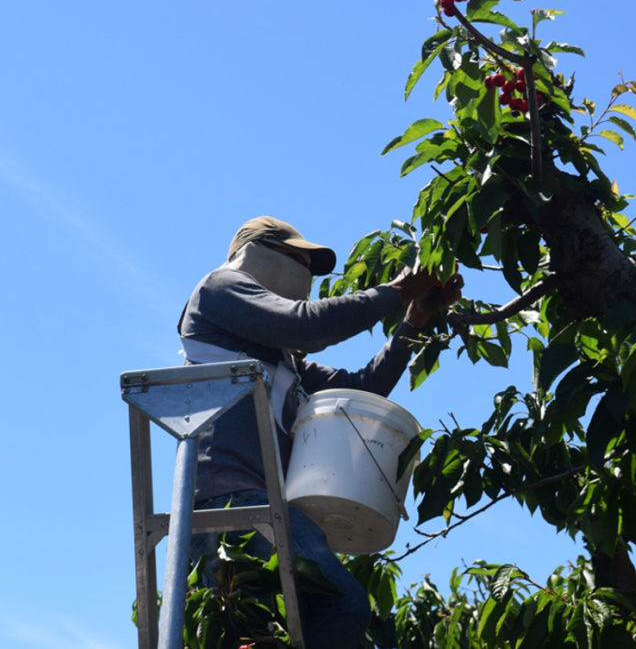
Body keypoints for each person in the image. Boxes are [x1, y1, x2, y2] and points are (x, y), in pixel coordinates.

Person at [179, 216, 462, 649]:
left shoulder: (279, 359)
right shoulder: (219, 289)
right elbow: (306, 326)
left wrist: (413, 321)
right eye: (299, 259)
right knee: (341, 605)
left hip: (261, 503)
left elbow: (361, 390)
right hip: (231, 503)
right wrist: (397, 289)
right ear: (259, 251)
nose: (306, 276)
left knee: (268, 630)